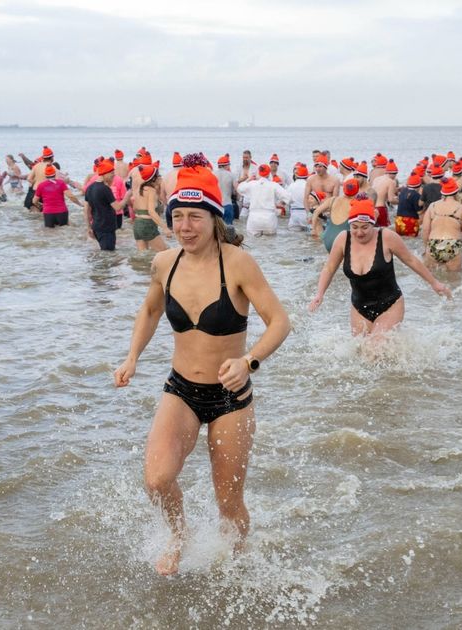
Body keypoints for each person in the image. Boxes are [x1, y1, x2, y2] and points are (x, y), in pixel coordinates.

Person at [113, 156, 290, 576]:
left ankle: (240, 566)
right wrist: (132, 356)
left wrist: (249, 361)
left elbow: (280, 322)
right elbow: (151, 312)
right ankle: (179, 535)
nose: (185, 226)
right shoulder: (164, 263)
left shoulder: (238, 264)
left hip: (232, 396)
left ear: (215, 218)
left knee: (228, 502)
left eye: (195, 216)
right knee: (156, 480)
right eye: (178, 216)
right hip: (182, 390)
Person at [308, 199, 452, 337]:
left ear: (373, 224)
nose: (359, 232)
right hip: (359, 307)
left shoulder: (387, 237)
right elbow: (329, 268)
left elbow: (411, 260)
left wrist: (434, 283)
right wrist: (319, 294)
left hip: (390, 305)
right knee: (361, 352)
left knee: (375, 348)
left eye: (365, 227)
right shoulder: (342, 239)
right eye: (354, 227)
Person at [420, 178, 462, 272]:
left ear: (442, 192)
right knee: (454, 281)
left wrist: (425, 248)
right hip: (452, 245)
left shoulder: (432, 206)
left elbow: (425, 230)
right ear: (456, 192)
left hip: (433, 244)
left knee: (431, 278)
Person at [84, 158, 129, 251]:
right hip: (106, 229)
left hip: (96, 227)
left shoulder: (90, 188)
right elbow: (117, 207)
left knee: (104, 254)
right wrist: (127, 197)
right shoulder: (105, 189)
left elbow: (86, 211)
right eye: (112, 175)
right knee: (109, 255)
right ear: (105, 174)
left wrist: (89, 227)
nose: (113, 177)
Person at [237, 164, 289, 236]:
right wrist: (281, 205)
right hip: (269, 219)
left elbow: (239, 188)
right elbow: (288, 197)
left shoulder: (252, 184)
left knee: (253, 244)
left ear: (259, 173)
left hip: (254, 219)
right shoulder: (273, 185)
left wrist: (249, 179)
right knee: (270, 244)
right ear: (269, 174)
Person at [131, 163, 170, 251]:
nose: (160, 176)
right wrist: (165, 228)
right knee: (164, 252)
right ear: (153, 178)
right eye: (158, 175)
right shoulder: (151, 191)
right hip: (147, 224)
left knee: (143, 255)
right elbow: (151, 212)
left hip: (137, 224)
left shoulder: (138, 189)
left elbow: (134, 208)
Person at [314, 178, 359, 252]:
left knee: (331, 261)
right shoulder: (356, 204)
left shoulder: (332, 200)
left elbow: (316, 212)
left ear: (344, 188)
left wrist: (313, 229)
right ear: (357, 190)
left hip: (328, 239)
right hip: (343, 241)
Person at [285, 164, 310, 231]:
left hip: (294, 214)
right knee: (307, 238)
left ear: (297, 175)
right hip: (306, 214)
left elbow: (286, 200)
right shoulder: (308, 185)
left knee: (294, 238)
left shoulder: (291, 186)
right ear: (307, 176)